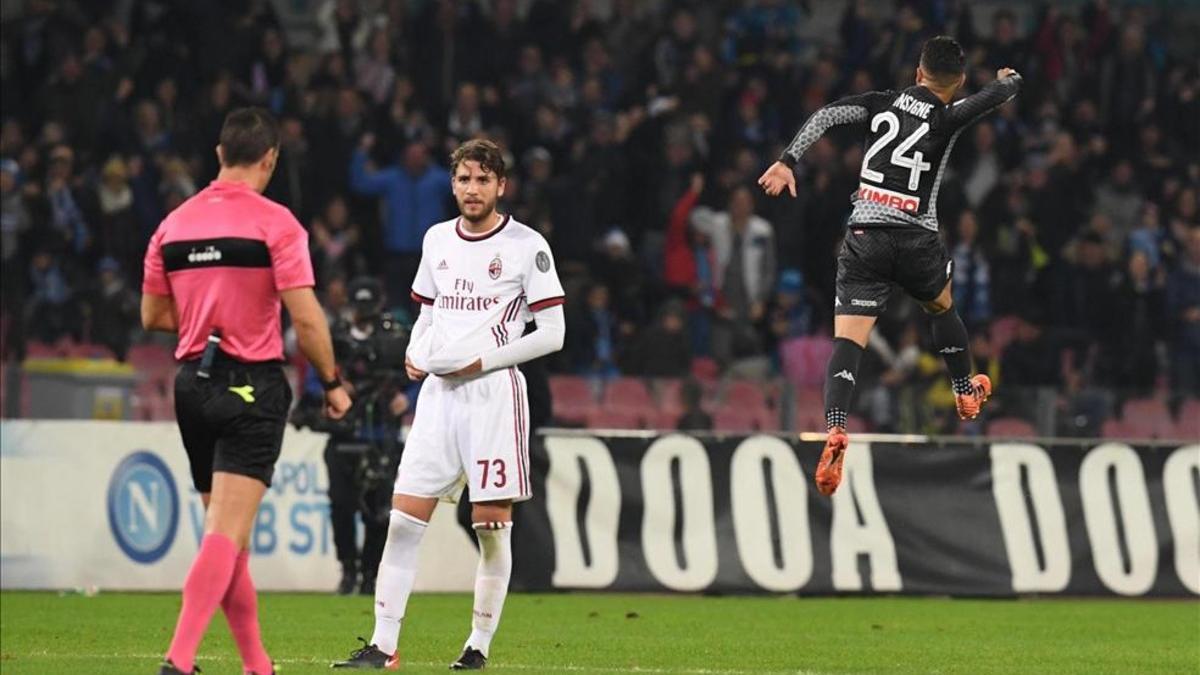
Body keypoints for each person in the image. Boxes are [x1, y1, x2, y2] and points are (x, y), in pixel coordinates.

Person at [332, 139, 566, 670]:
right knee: (402, 521)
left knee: (489, 527)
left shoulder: (527, 245)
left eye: (483, 180)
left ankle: (477, 646)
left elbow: (552, 333)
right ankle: (383, 645)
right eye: (464, 179)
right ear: (453, 184)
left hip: (494, 396)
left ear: (501, 186)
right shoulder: (436, 239)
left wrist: (482, 361)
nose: (472, 189)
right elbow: (429, 315)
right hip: (439, 398)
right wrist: (416, 353)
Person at [758, 36, 1021, 496]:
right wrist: (1007, 78)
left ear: (918, 73)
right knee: (942, 309)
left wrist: (786, 161)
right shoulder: (950, 114)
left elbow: (825, 116)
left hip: (864, 236)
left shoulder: (880, 103)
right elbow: (1002, 92)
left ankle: (836, 427)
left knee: (849, 341)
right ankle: (964, 389)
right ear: (956, 83)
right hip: (917, 239)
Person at [142, 107, 352, 675]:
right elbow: (307, 321)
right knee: (225, 537)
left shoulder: (172, 225)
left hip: (191, 383)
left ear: (218, 154)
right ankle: (179, 660)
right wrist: (332, 383)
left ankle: (258, 666)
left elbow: (153, 314)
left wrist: (207, 307)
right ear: (270, 159)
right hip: (250, 383)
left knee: (229, 540)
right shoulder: (276, 223)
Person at [322, 277, 414, 596]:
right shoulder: (334, 338)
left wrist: (408, 398)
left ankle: (370, 574)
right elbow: (313, 379)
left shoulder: (397, 338)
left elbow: (421, 374)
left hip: (383, 433)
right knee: (341, 505)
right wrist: (333, 388)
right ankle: (348, 568)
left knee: (380, 510)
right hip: (345, 431)